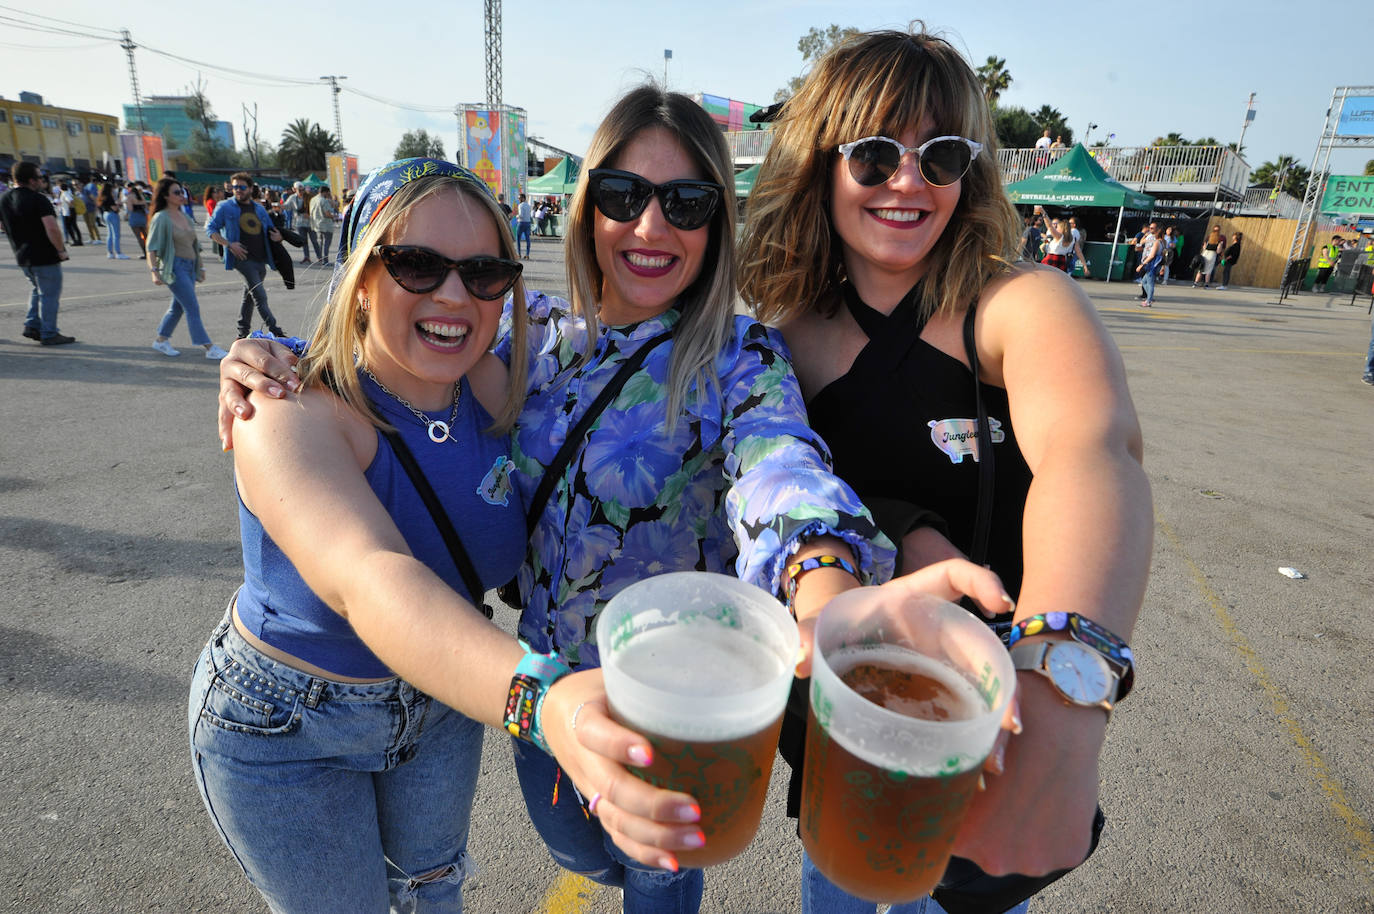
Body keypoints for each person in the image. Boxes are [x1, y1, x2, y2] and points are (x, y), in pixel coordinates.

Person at [214, 96, 1008, 913]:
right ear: (588, 209)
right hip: (543, 686)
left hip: (675, 708)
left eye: (686, 203)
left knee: (656, 876)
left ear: (716, 226)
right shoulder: (531, 341)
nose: (651, 227)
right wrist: (276, 359)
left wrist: (825, 591)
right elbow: (394, 359)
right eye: (625, 196)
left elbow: (781, 464)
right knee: (572, 853)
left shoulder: (739, 357)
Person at [191, 158, 706, 913]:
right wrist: (545, 700)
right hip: (289, 726)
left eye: (485, 272)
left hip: (439, 706)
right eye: (418, 264)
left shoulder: (500, 390)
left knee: (434, 896)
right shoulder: (287, 407)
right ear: (362, 274)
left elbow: (638, 376)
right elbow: (372, 577)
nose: (455, 295)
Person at [740, 26, 1150, 913]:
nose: (908, 180)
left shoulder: (1017, 304)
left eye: (942, 155)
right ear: (821, 164)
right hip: (845, 729)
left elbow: (1095, 451)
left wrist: (1063, 705)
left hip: (993, 728)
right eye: (877, 153)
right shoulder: (784, 339)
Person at [145, 177, 228, 360]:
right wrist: (154, 272)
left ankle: (160, 340)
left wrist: (201, 267)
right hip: (174, 268)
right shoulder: (161, 218)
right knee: (192, 306)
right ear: (166, 196)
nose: (181, 195)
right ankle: (209, 347)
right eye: (176, 192)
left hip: (189, 267)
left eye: (181, 191)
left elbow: (194, 244)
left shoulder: (184, 215)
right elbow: (151, 247)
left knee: (178, 307)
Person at [1, 162, 76, 345]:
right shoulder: (38, 199)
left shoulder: (4, 199)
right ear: (32, 180)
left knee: (36, 290)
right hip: (44, 254)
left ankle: (32, 325)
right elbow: (52, 227)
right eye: (40, 177)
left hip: (22, 254)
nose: (42, 181)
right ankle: (49, 333)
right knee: (49, 294)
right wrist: (61, 250)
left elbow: (2, 225)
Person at [206, 172, 286, 339]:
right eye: (234, 187)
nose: (238, 190)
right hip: (242, 260)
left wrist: (278, 237)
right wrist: (229, 244)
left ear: (250, 188)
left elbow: (272, 230)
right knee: (260, 296)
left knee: (249, 297)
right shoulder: (225, 207)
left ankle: (242, 333)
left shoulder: (259, 209)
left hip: (261, 259)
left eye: (242, 187)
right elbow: (211, 229)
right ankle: (276, 331)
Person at [1135, 222, 1164, 307]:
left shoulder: (1157, 242)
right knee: (1144, 281)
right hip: (1154, 264)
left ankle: (1149, 300)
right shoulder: (1162, 242)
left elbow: (1152, 255)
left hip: (1152, 265)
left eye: (1152, 229)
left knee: (1150, 283)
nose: (1149, 230)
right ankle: (1149, 298)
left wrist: (1142, 264)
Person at [309, 184, 340, 263]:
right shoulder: (324, 200)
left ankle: (320, 258)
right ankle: (325, 260)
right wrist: (334, 217)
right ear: (325, 192)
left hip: (316, 224)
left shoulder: (313, 199)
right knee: (326, 244)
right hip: (326, 225)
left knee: (320, 243)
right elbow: (327, 214)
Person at [99, 182, 129, 259]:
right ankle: (118, 252)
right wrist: (118, 206)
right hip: (112, 214)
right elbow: (114, 208)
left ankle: (110, 252)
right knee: (116, 234)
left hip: (106, 214)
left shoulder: (103, 196)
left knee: (109, 234)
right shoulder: (109, 197)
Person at [124, 181, 149, 256]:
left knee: (139, 237)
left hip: (134, 217)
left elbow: (130, 209)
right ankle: (151, 251)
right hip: (142, 216)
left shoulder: (129, 196)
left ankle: (145, 253)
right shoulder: (140, 195)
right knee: (146, 235)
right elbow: (146, 206)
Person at [57, 182, 84, 246]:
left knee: (69, 227)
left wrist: (70, 210)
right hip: (69, 211)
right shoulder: (67, 193)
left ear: (61, 188)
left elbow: (70, 201)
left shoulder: (65, 194)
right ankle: (78, 240)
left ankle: (75, 240)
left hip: (68, 212)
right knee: (74, 226)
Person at [515, 192, 532, 258]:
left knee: (518, 239)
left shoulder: (520, 205)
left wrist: (517, 216)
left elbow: (521, 215)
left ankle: (519, 254)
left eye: (520, 198)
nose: (519, 199)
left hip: (521, 223)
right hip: (528, 222)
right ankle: (527, 254)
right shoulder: (528, 205)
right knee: (528, 239)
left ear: (523, 198)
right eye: (518, 198)